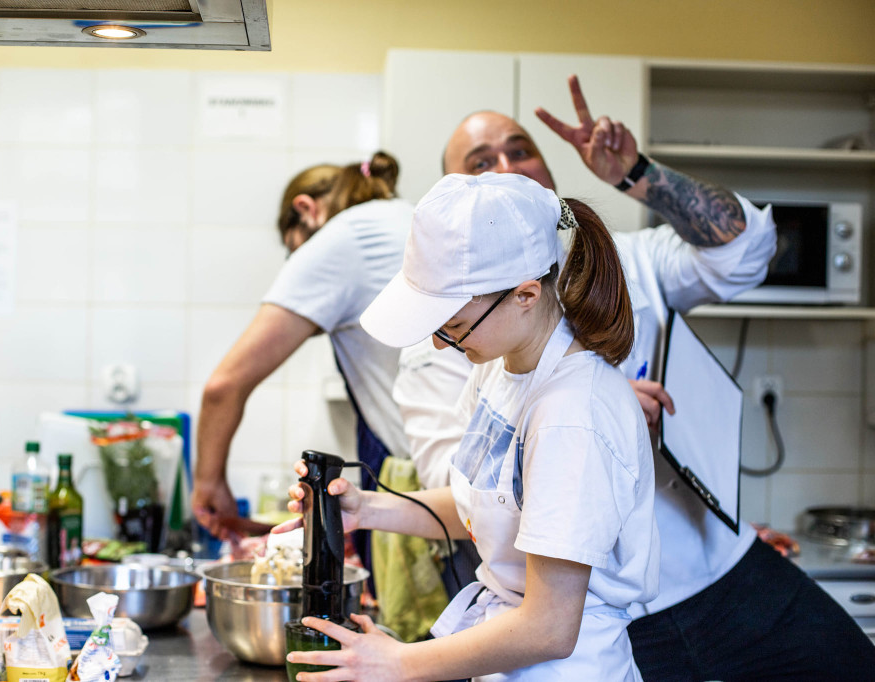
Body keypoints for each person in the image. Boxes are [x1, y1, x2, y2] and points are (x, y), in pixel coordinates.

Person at [393, 74, 875, 680]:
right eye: (480, 162)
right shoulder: (451, 332)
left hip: (720, 569)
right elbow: (471, 491)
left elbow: (749, 251)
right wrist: (585, 410)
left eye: (520, 149)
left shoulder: (627, 260)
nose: (506, 167)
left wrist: (638, 173)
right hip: (608, 616)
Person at [282, 171, 659, 681]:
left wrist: (398, 663)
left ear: (525, 295)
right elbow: (488, 503)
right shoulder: (500, 368)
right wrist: (366, 509)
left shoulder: (573, 417)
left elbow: (550, 627)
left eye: (454, 326)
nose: (440, 344)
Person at [192, 153, 410, 539]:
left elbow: (223, 388)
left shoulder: (341, 237)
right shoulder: (404, 217)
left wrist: (209, 486)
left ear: (306, 209)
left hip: (430, 478)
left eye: (294, 251)